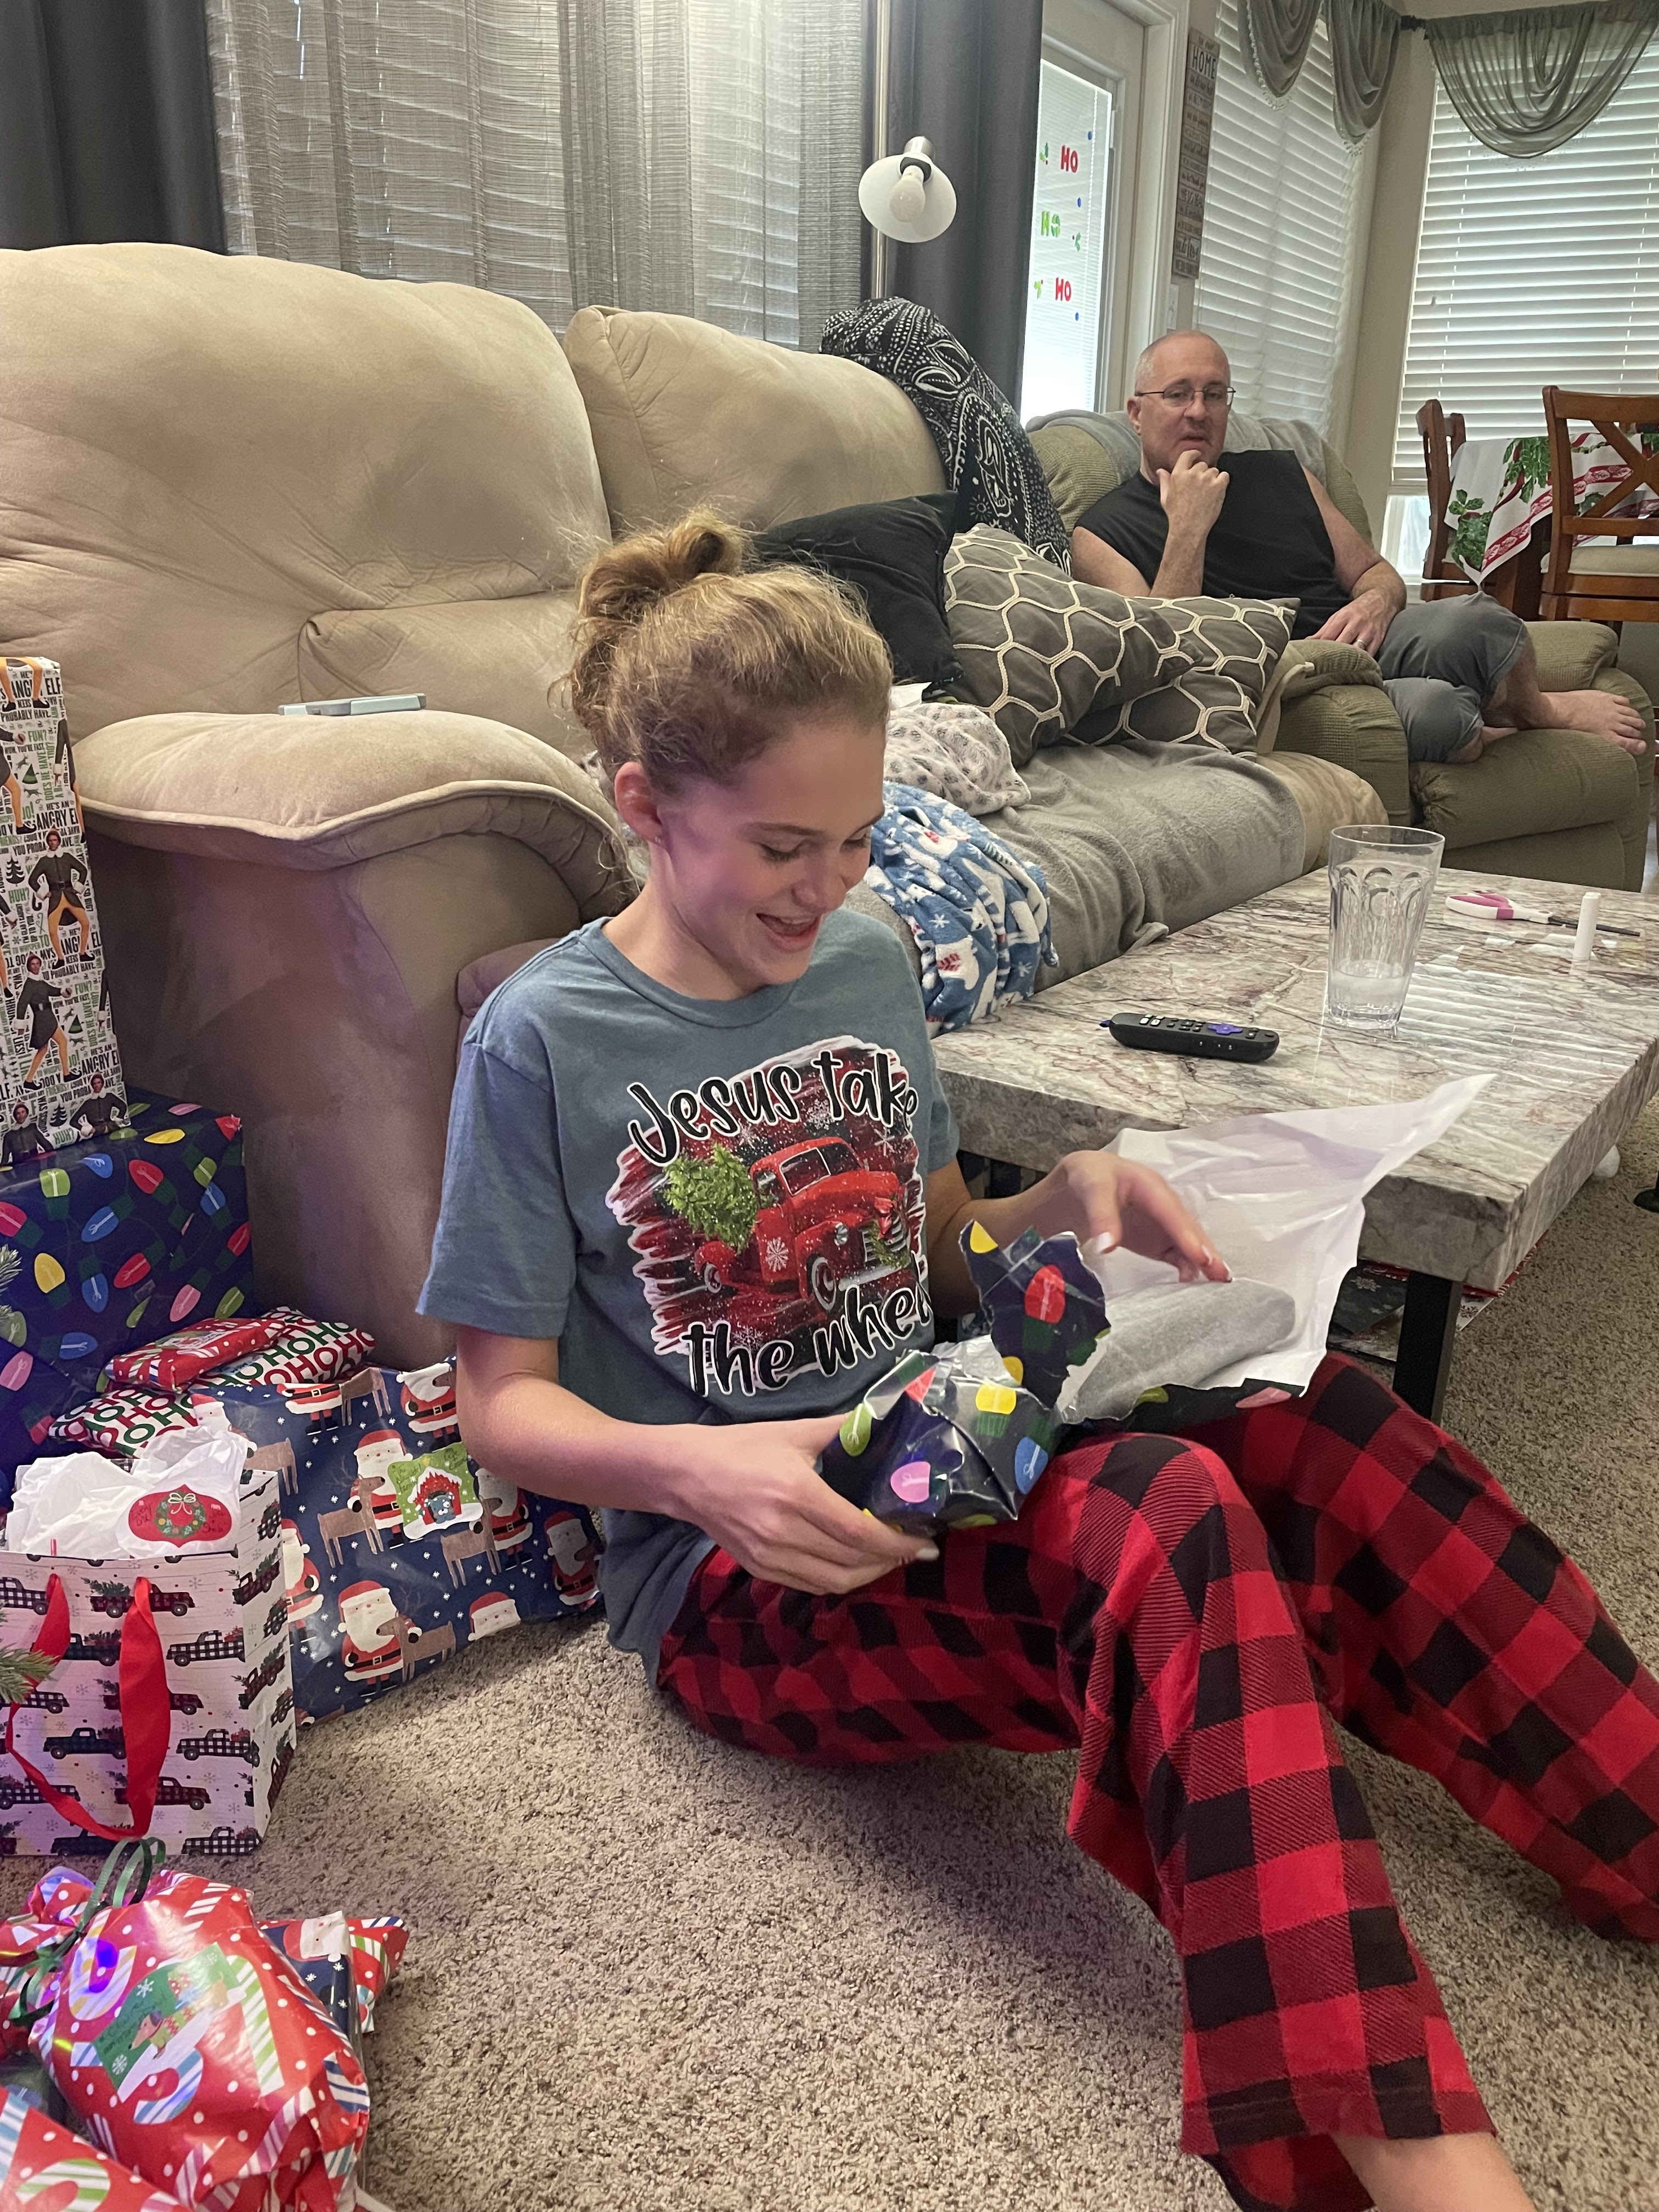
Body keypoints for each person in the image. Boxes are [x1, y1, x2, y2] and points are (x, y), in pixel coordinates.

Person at [421, 512, 1659, 2212]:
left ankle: (1641, 1823)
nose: (828, 888)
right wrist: (705, 1472)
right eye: (783, 846)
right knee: (1158, 1519)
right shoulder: (541, 1042)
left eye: (859, 841)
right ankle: (1404, 2160)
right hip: (740, 1574)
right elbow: (501, 1409)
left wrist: (1067, 1200)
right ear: (643, 804)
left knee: (1316, 1421)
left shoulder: (863, 960)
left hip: (949, 1430)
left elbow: (939, 1245)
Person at [1071, 332, 1649, 768]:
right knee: (1440, 713)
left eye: (1215, 395)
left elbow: (1375, 572)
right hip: (1291, 679)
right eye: (1178, 394)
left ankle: (1539, 711)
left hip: (1365, 640)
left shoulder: (1285, 474)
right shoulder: (1100, 533)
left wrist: (1375, 603)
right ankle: (1488, 719)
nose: (1198, 411)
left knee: (1483, 621)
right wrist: (1187, 528)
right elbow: (1162, 657)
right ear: (1137, 412)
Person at [27, 829, 92, 964]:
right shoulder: (44, 861)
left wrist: (78, 887)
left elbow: (83, 870)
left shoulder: (67, 857)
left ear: (59, 842)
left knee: (85, 923)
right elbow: (32, 880)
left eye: (55, 840)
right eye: (50, 841)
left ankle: (83, 953)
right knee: (52, 930)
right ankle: (60, 959)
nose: (53, 843)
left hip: (70, 895)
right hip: (56, 897)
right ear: (47, 843)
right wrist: (44, 893)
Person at [13, 953, 69, 1087]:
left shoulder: (39, 982)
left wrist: (63, 991)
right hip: (44, 1019)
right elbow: (22, 1003)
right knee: (62, 1042)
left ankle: (29, 1081)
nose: (36, 966)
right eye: (33, 964)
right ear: (29, 967)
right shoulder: (30, 984)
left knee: (43, 1049)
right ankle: (67, 1074)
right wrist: (20, 1024)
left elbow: (52, 990)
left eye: (38, 964)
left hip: (47, 1017)